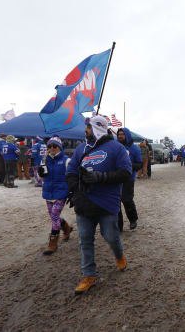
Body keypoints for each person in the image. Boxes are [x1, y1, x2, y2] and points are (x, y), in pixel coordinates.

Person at [66, 116, 132, 294]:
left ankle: (119, 255)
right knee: (85, 240)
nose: (85, 131)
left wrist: (100, 177)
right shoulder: (82, 149)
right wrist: (77, 187)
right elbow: (71, 171)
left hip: (106, 203)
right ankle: (89, 275)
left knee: (111, 236)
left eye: (88, 127)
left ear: (97, 128)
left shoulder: (116, 148)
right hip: (84, 203)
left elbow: (126, 173)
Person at [37, 136, 74, 255]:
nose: (52, 148)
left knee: (54, 215)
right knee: (55, 217)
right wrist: (40, 173)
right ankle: (67, 229)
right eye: (50, 146)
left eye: (55, 146)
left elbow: (72, 177)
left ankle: (52, 244)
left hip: (61, 193)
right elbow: (42, 179)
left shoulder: (66, 160)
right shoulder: (44, 160)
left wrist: (72, 192)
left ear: (60, 147)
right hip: (48, 192)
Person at [116, 128, 142, 231]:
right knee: (116, 202)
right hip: (116, 178)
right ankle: (118, 226)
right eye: (119, 134)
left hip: (128, 178)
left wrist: (128, 166)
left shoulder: (134, 148)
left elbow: (139, 164)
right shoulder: (116, 147)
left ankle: (133, 219)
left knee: (127, 200)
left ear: (127, 135)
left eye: (122, 134)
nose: (120, 136)